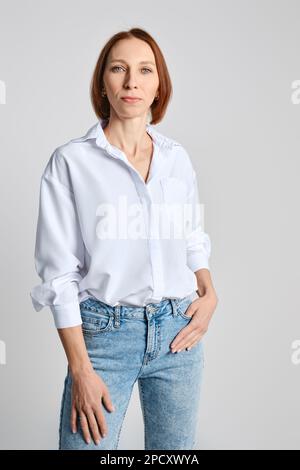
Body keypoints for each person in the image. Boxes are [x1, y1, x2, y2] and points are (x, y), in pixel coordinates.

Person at [30, 27, 218, 450]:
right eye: (119, 68)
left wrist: (209, 291)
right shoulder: (71, 162)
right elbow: (59, 273)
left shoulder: (176, 158)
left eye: (144, 70)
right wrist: (80, 368)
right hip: (104, 337)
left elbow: (191, 236)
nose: (132, 81)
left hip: (177, 334)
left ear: (158, 86)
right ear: (103, 82)